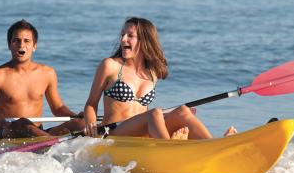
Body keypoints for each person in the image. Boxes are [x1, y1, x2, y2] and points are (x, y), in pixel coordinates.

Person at [83, 17, 235, 139]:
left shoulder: (152, 72)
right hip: (116, 133)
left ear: (144, 41)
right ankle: (169, 150)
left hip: (143, 134)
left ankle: (213, 145)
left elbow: (144, 112)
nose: (123, 39)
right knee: (155, 113)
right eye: (122, 35)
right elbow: (91, 104)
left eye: (130, 36)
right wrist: (91, 125)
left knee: (183, 111)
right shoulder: (110, 65)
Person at [0, 19, 84, 138]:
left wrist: (76, 116)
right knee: (23, 122)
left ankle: (51, 141)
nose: (21, 45)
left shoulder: (47, 73)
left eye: (27, 41)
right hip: (10, 133)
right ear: (9, 45)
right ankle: (54, 143)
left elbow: (58, 108)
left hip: (38, 132)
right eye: (16, 41)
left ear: (34, 46)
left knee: (80, 124)